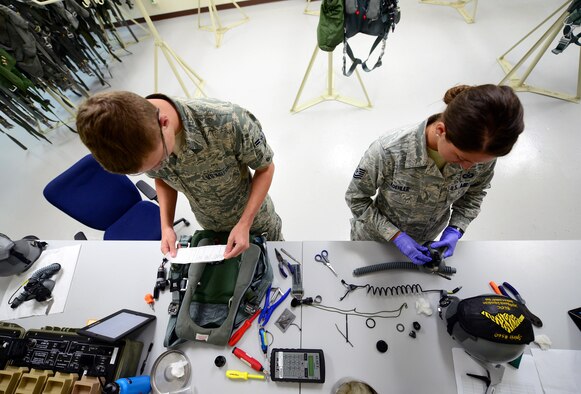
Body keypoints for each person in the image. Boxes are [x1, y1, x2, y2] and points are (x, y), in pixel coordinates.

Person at [76, 91, 283, 259]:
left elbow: (265, 168)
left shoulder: (227, 122)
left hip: (256, 221)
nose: (159, 166)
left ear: (164, 123)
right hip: (210, 225)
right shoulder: (138, 137)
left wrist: (245, 223)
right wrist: (166, 226)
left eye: (160, 159)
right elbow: (162, 179)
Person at [345, 84, 524, 265]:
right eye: (460, 157)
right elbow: (356, 198)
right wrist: (395, 235)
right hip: (374, 241)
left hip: (426, 240)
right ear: (440, 131)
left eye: (478, 162)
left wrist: (456, 228)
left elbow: (475, 193)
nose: (469, 167)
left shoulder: (481, 153)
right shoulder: (388, 150)